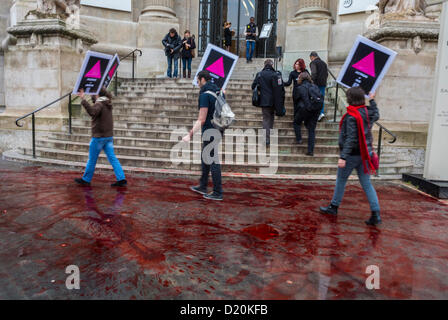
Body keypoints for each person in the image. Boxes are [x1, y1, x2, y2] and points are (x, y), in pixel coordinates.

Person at [320, 87, 381, 226]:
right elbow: (376, 114)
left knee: (341, 180)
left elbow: (351, 138)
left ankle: (334, 207)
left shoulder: (351, 115)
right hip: (365, 154)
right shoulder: (367, 112)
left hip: (352, 155)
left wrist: (343, 156)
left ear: (350, 99)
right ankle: (375, 213)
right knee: (367, 184)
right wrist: (372, 100)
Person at [74, 87, 127, 187]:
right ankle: (121, 179)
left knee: (92, 159)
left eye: (94, 93)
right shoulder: (107, 103)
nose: (93, 95)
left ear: (98, 94)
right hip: (108, 137)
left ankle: (86, 179)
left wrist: (83, 99)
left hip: (99, 137)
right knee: (112, 158)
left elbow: (92, 112)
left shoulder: (99, 104)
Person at [183, 70, 223, 201]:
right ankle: (203, 185)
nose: (197, 82)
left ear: (202, 79)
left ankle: (217, 192)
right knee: (205, 157)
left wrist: (190, 134)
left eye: (197, 80)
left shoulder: (205, 95)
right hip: (217, 128)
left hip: (210, 130)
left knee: (212, 160)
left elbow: (202, 119)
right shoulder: (218, 91)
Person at [252, 59, 282, 146]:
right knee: (271, 117)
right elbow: (279, 88)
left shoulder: (260, 74)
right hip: (274, 100)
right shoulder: (275, 74)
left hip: (264, 100)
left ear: (265, 65)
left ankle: (266, 138)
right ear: (272, 64)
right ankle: (269, 135)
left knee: (266, 118)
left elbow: (253, 86)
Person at [284, 58, 311, 144]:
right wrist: (281, 82)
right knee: (296, 108)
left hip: (305, 93)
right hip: (296, 93)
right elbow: (288, 83)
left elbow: (310, 82)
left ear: (301, 65)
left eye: (298, 64)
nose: (296, 66)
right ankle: (297, 122)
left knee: (303, 107)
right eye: (295, 64)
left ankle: (302, 120)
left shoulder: (305, 72)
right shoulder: (292, 73)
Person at [294, 72, 320, 156]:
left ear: (301, 79)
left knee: (296, 122)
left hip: (304, 110)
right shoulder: (315, 86)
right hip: (315, 110)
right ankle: (310, 150)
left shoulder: (300, 87)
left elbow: (296, 99)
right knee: (311, 130)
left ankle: (299, 139)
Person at [309, 51, 328, 122]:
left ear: (312, 57)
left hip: (316, 84)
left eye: (310, 58)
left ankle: (316, 113)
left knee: (314, 98)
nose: (310, 60)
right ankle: (321, 112)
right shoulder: (324, 63)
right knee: (321, 98)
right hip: (323, 83)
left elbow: (314, 73)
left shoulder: (313, 63)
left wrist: (310, 80)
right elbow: (326, 74)